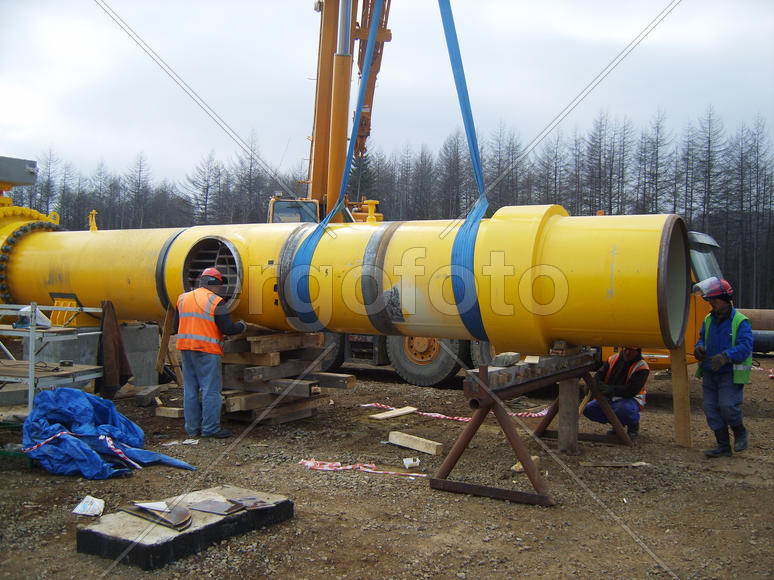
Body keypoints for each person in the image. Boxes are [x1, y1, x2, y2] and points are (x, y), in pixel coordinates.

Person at [175, 267, 246, 439]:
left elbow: (176, 324)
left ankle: (192, 429)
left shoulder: (183, 298)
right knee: (210, 390)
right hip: (206, 350)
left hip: (186, 348)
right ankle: (210, 428)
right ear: (216, 285)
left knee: (190, 390)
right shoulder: (215, 301)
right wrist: (242, 326)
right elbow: (228, 328)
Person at [693, 277, 753, 458]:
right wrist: (699, 348)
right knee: (711, 409)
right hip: (710, 371)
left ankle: (740, 431)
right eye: (710, 300)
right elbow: (702, 338)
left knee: (727, 406)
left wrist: (726, 356)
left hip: (729, 373)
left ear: (725, 300)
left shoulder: (741, 321)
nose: (712, 304)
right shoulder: (708, 320)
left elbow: (745, 347)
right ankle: (723, 446)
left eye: (714, 300)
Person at [583, 347, 650, 440]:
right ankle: (617, 425)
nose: (627, 352)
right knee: (589, 410)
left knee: (622, 410)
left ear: (638, 352)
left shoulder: (642, 367)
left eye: (631, 350)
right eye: (626, 349)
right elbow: (600, 374)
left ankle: (633, 425)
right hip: (611, 397)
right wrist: (592, 384)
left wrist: (611, 390)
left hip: (631, 399)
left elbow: (631, 390)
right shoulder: (613, 359)